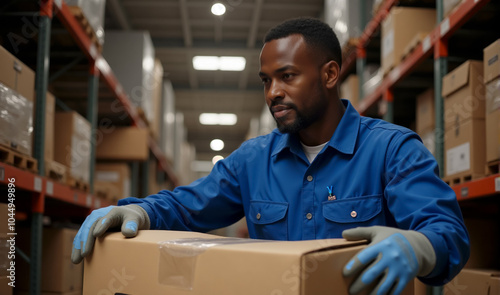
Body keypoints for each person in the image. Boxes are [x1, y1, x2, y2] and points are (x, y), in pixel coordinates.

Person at [72, 17, 469, 294]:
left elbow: (447, 233)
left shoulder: (392, 149)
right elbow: (187, 206)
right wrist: (138, 211)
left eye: (287, 76)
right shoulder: (252, 161)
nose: (273, 93)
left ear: (330, 75)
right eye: (266, 81)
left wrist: (417, 248)